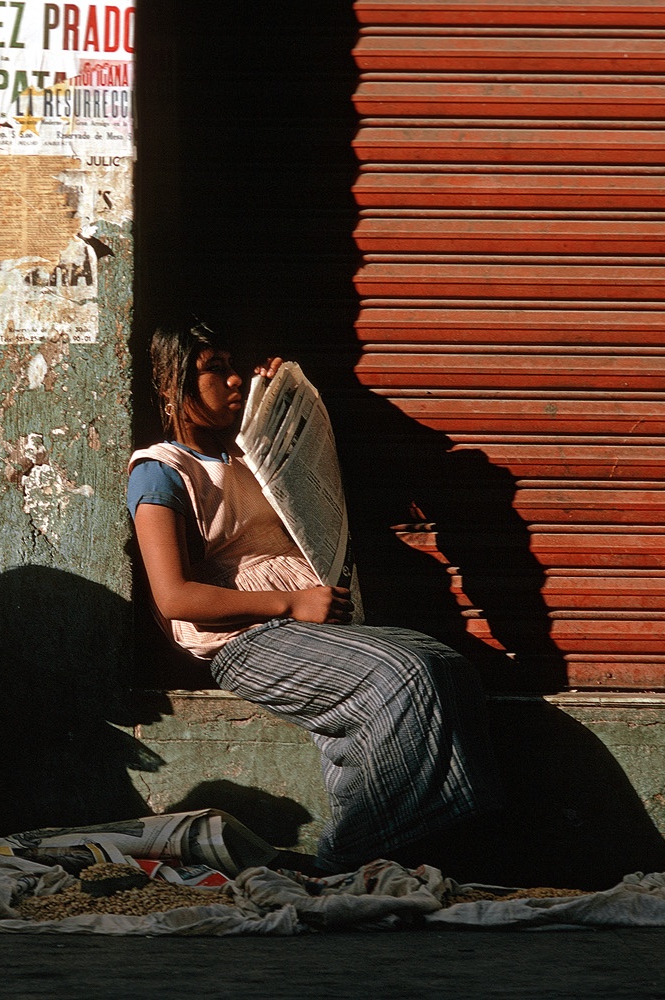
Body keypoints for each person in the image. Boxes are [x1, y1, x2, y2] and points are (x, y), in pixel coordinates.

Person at [128, 320, 500, 875]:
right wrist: (290, 604)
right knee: (403, 677)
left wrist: (279, 401)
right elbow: (175, 597)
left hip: (311, 624)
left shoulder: (245, 455)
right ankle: (354, 857)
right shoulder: (160, 471)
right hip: (246, 640)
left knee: (446, 665)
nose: (233, 380)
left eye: (234, 368)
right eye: (214, 370)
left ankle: (429, 852)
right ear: (169, 385)